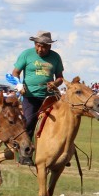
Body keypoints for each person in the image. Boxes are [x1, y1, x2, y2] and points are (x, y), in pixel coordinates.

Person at [12, 31, 64, 164]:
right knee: (29, 123)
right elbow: (15, 73)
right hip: (30, 96)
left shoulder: (55, 57)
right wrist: (19, 85)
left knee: (57, 124)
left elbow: (60, 77)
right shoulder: (26, 54)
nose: (40, 49)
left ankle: (59, 154)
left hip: (49, 98)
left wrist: (55, 83)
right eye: (38, 45)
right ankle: (25, 155)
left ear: (49, 46)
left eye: (44, 47)